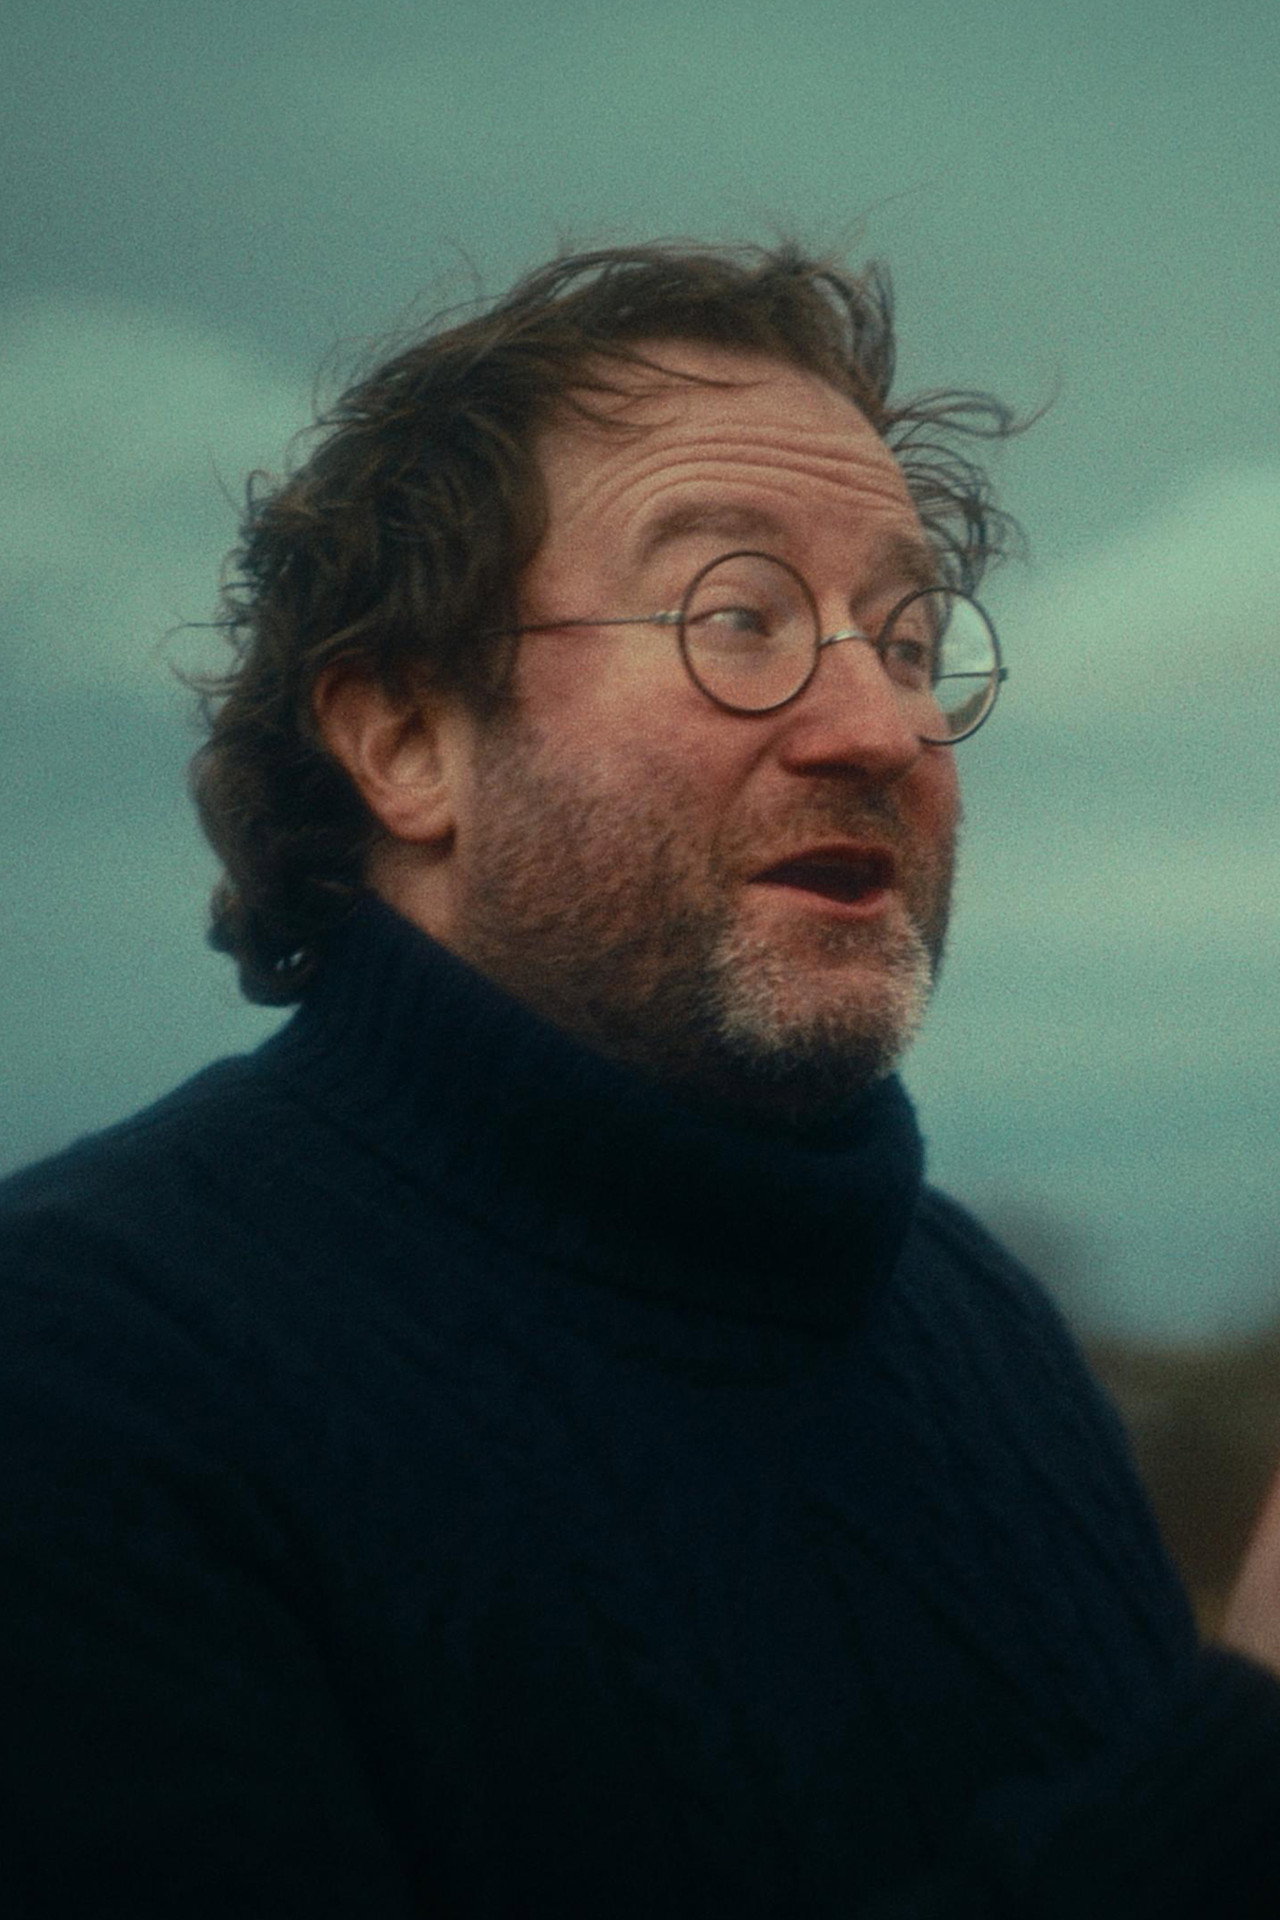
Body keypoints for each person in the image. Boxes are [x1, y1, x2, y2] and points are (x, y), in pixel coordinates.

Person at [2, 241, 1279, 1918]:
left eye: (908, 639)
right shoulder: (83, 1374)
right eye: (737, 616)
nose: (880, 726)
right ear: (405, 741)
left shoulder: (987, 1325)